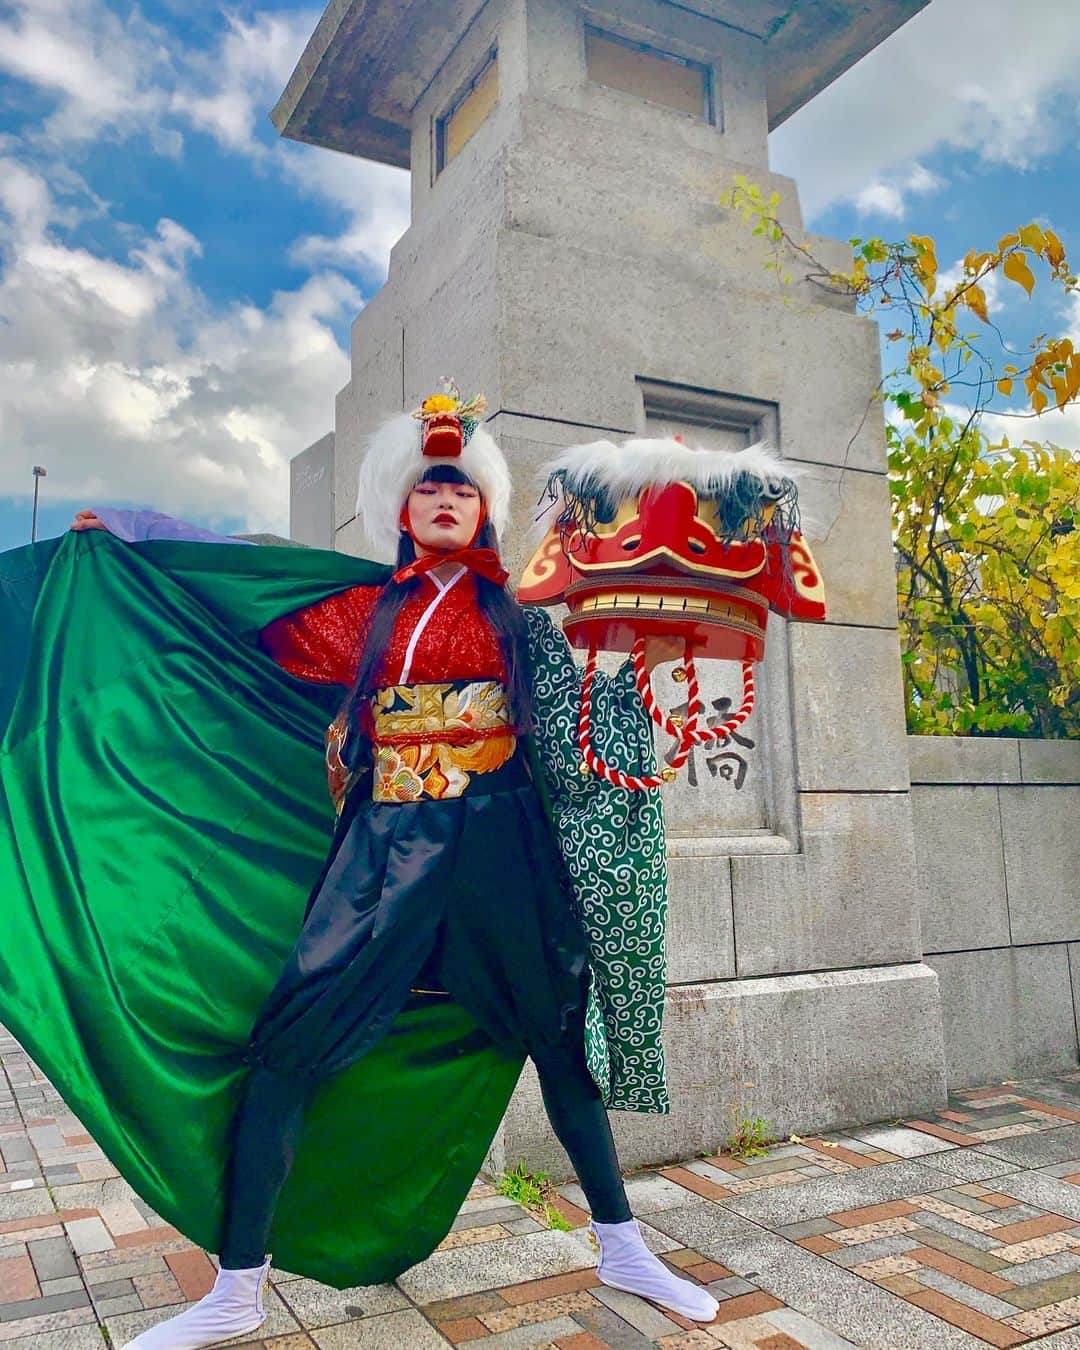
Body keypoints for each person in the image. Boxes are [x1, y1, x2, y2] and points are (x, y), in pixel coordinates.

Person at [16, 391, 717, 1349]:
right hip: (383, 853)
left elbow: (607, 667)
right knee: (288, 1047)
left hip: (502, 850)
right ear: (399, 504)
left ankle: (624, 1245)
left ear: (483, 510)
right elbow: (229, 589)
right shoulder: (358, 612)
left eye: (462, 487)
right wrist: (131, 535)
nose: (444, 497)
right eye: (428, 483)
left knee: (559, 1043)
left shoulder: (522, 618)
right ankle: (238, 1286)